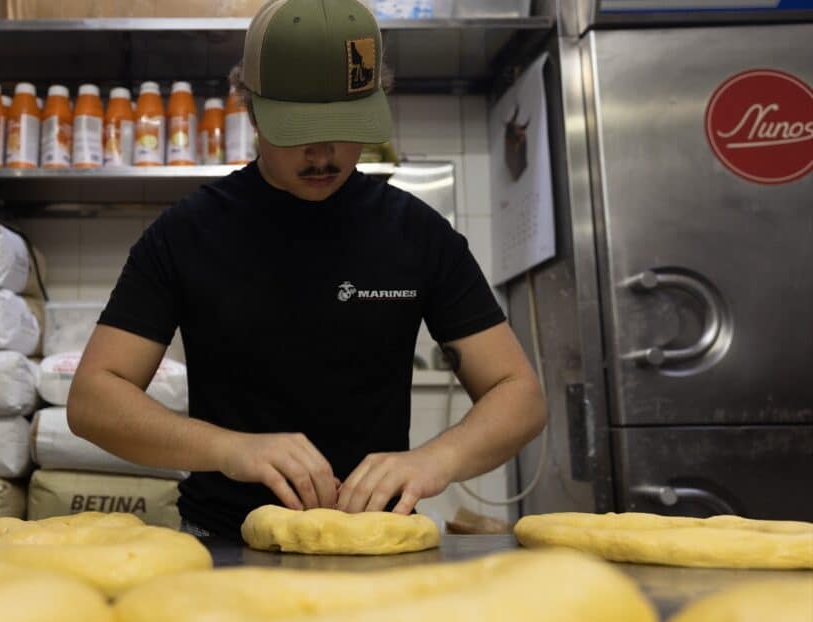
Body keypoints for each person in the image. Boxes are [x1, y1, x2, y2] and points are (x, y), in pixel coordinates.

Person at [68, 0, 546, 539]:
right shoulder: (186, 233)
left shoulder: (419, 234)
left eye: (344, 127)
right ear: (250, 108)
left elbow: (519, 394)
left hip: (376, 538)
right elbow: (93, 399)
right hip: (225, 539)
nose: (324, 154)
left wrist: (435, 460)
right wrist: (228, 449)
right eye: (298, 130)